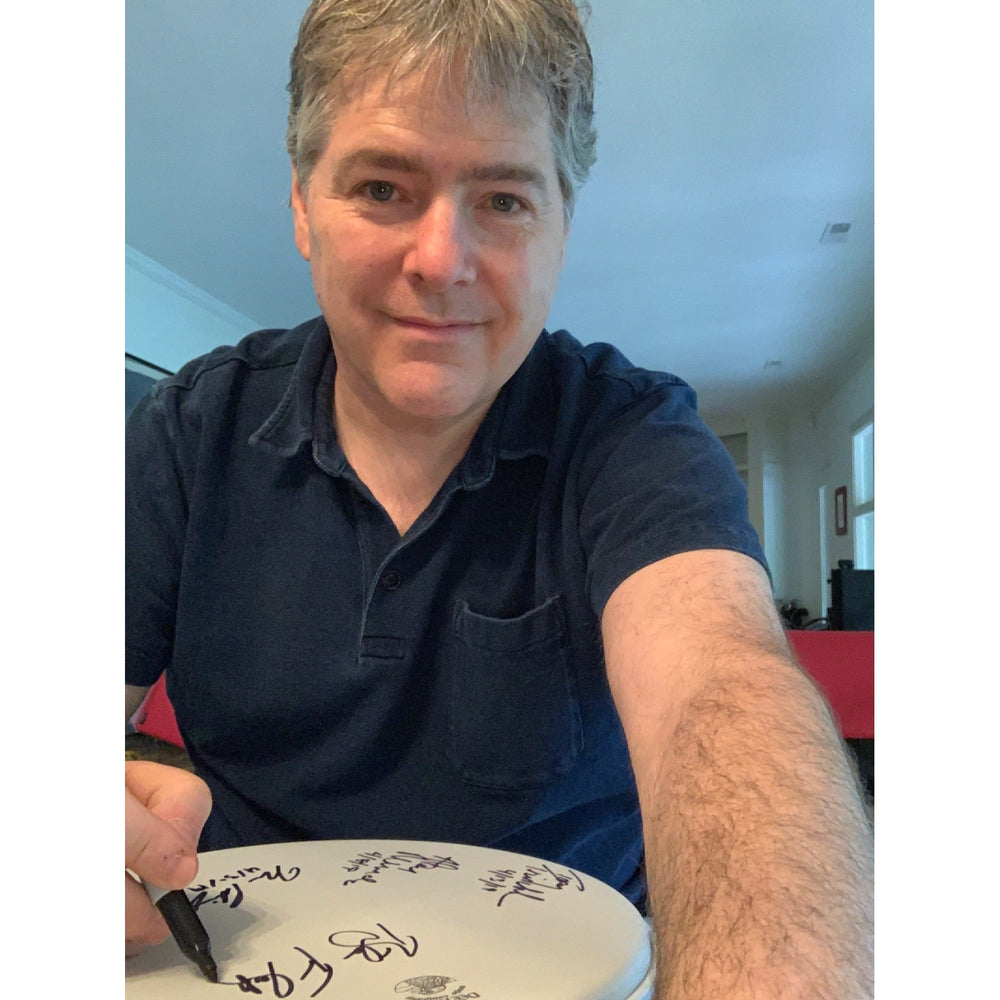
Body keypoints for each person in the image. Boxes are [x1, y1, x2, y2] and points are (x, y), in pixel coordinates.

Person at [125, 0, 874, 995]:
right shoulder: (187, 432)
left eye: (505, 199)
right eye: (383, 187)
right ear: (302, 207)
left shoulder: (633, 433)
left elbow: (722, 687)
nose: (442, 260)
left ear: (564, 223)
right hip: (249, 964)